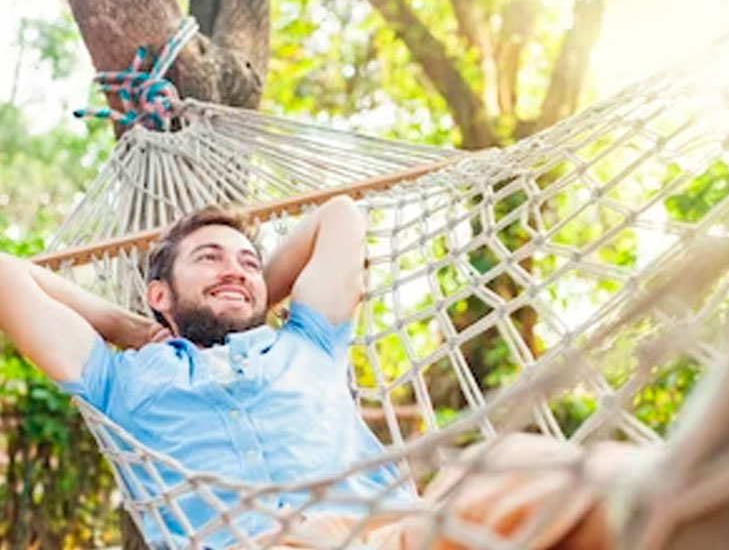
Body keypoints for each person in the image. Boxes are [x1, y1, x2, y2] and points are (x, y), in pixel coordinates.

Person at [0, 196, 626, 549]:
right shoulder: (119, 380)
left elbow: (341, 218)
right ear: (159, 295)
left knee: (530, 465)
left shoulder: (309, 342)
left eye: (248, 261)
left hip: (382, 539)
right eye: (209, 258)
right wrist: (125, 325)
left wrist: (245, 294)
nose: (237, 268)